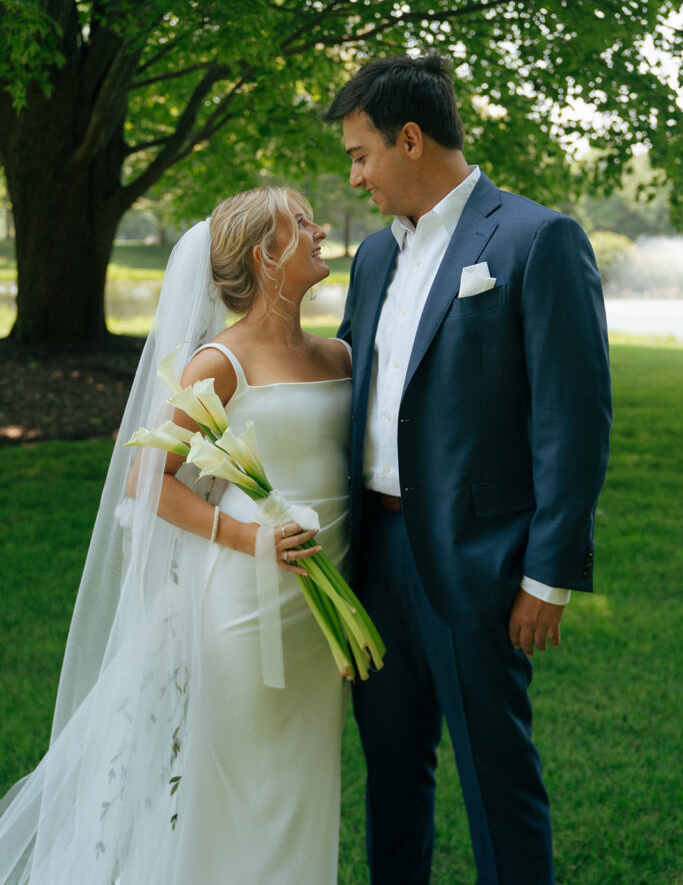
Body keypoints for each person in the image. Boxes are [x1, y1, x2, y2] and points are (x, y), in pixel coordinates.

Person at [0, 187, 352, 885]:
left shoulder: (339, 355)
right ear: (266, 254)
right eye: (302, 223)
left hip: (325, 615)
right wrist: (245, 537)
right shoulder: (219, 364)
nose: (318, 231)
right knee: (239, 788)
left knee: (305, 780)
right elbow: (146, 480)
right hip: (249, 606)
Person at [325, 54, 612, 885]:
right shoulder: (375, 256)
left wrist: (546, 575)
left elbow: (573, 420)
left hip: (480, 563)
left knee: (496, 780)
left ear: (409, 140)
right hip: (372, 561)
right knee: (391, 775)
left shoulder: (536, 238)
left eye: (360, 154)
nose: (355, 176)